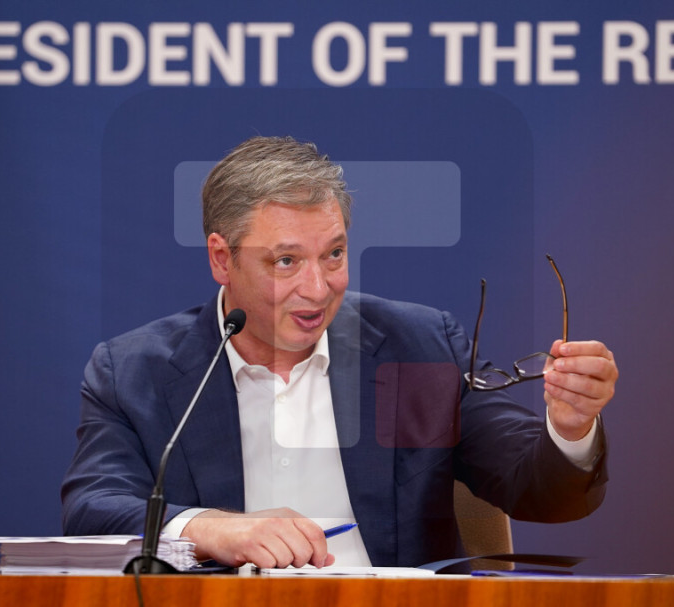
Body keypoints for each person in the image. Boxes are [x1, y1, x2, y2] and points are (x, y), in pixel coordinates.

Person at [61, 136, 618, 570]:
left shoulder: (420, 345)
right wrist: (210, 528)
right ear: (222, 259)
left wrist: (570, 429)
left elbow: (539, 491)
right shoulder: (134, 372)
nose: (317, 287)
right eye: (286, 261)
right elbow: (92, 507)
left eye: (333, 254)